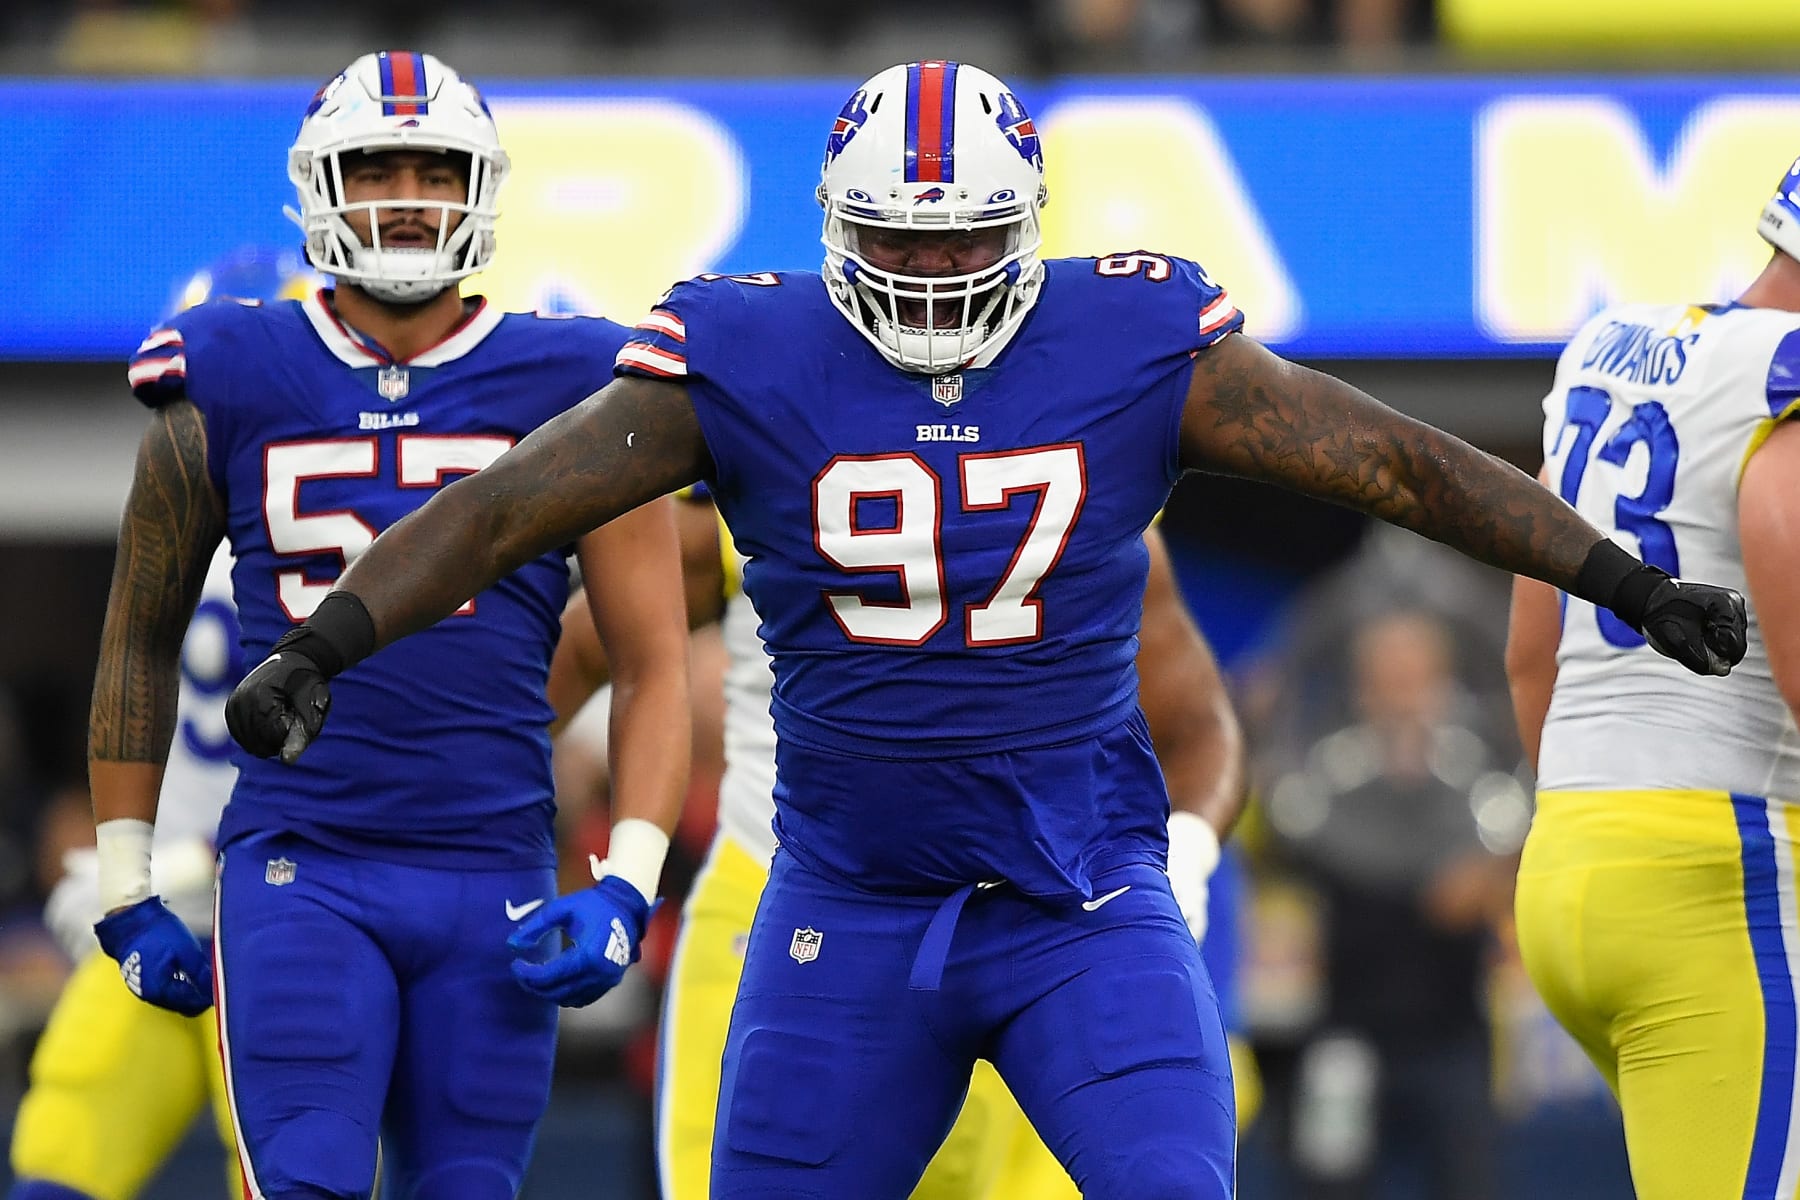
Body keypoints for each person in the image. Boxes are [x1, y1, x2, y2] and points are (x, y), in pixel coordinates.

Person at [227, 60, 1746, 1199]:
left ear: (1029, 230)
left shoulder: (1139, 339)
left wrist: (1627, 578)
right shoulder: (742, 351)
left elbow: (1403, 462)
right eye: (905, 240)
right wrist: (324, 642)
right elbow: (506, 506)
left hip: (1080, 905)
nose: (939, 274)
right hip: (844, 913)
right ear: (837, 227)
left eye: (969, 242)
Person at [86, 51, 689, 1200]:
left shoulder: (580, 376)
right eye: (375, 167)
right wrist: (123, 881)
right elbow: (137, 631)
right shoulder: (230, 364)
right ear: (321, 186)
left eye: (433, 167)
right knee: (305, 1181)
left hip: (495, 864)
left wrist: (627, 881)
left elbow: (655, 657)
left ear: (482, 188)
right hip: (304, 866)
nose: (406, 193)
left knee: (470, 1187)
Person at [550, 493, 1245, 1200]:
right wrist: (480, 828)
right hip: (783, 918)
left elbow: (1198, 722)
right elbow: (584, 650)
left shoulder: (1071, 469)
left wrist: (1181, 865)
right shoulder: (760, 447)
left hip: (1020, 928)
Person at [1506, 155, 1800, 1200]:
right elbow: (1778, 526)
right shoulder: (1785, 371)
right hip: (1725, 875)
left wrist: (1587, 817)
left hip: (1573, 859)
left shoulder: (1611, 344)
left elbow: (1529, 645)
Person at [10, 548, 240, 1200]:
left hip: (286, 927)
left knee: (290, 1176)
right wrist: (126, 868)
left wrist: (174, 865)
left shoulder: (349, 533)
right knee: (60, 1161)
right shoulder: (186, 528)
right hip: (155, 923)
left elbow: (365, 767)